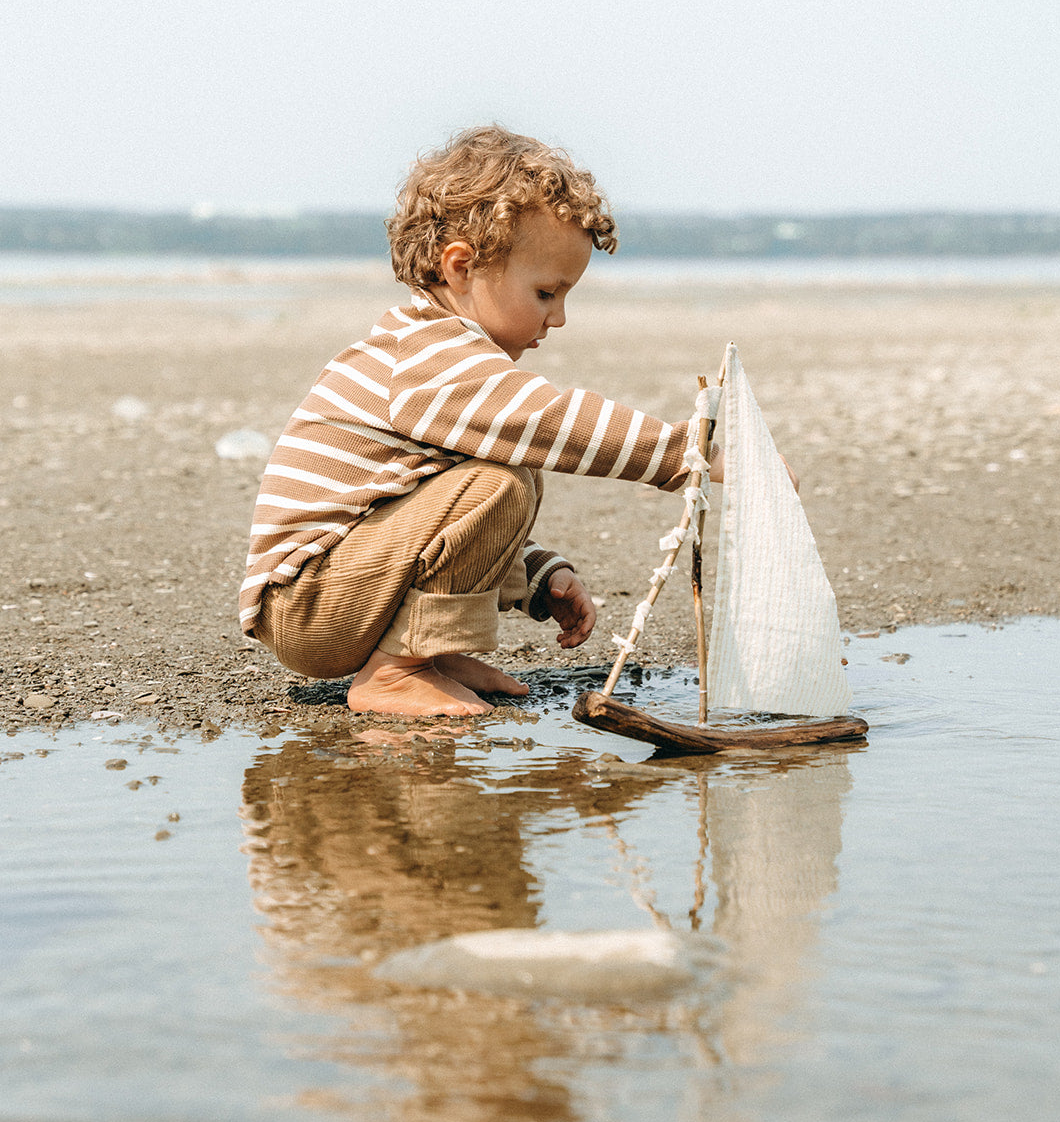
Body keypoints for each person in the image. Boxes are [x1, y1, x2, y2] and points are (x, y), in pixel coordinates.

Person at [241, 125, 723, 718]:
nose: (560, 317)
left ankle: (431, 653)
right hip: (311, 603)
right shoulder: (428, 357)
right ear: (462, 267)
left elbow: (428, 509)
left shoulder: (440, 360)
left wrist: (540, 574)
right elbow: (550, 421)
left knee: (500, 471)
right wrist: (685, 454)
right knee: (503, 478)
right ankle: (397, 672)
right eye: (546, 292)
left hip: (347, 588)